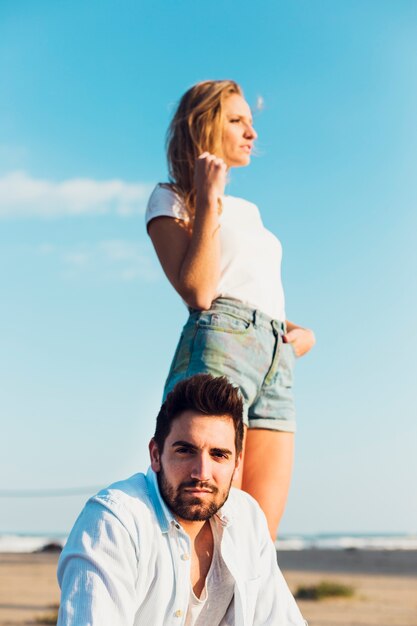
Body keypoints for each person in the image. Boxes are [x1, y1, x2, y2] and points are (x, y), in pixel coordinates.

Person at [145, 80, 315, 539]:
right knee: (209, 520)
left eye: (251, 122)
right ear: (205, 125)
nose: (251, 134)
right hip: (221, 348)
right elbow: (199, 291)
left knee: (260, 533)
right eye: (238, 121)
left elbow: (252, 289)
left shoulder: (250, 211)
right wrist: (208, 197)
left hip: (275, 358)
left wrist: (301, 334)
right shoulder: (171, 198)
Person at [57, 374, 306, 626]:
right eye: (185, 451)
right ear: (156, 455)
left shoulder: (247, 517)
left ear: (236, 464)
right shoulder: (113, 522)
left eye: (219, 455)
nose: (201, 473)